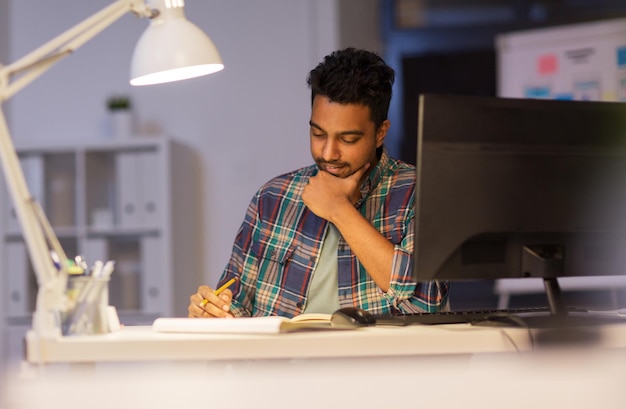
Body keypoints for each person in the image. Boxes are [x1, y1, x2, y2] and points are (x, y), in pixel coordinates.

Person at [188, 48, 449, 319]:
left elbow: (426, 303)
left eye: (348, 139)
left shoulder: (419, 191)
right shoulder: (273, 198)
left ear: (380, 132)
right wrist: (212, 311)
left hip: (377, 360)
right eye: (318, 133)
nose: (328, 153)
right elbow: (236, 304)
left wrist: (340, 210)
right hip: (282, 360)